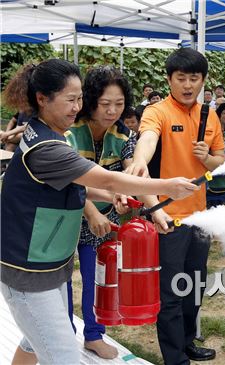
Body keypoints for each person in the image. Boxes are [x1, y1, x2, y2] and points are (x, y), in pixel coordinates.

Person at [0, 59, 199, 365]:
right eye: (70, 100)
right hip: (29, 271)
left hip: (46, 261)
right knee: (62, 355)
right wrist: (167, 187)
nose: (76, 107)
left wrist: (117, 195)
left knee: (33, 339)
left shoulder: (46, 133)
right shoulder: (50, 147)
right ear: (42, 99)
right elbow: (104, 177)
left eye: (79, 99)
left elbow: (79, 186)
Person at [125, 48, 225, 365]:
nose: (187, 85)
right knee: (170, 294)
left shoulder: (210, 116)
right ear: (169, 79)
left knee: (194, 286)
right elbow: (148, 138)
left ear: (203, 81)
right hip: (168, 217)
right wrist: (140, 161)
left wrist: (206, 158)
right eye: (180, 78)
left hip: (201, 218)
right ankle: (174, 358)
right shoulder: (158, 112)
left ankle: (187, 342)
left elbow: (219, 160)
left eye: (193, 78)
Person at [64, 65, 136, 360]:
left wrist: (130, 190)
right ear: (90, 100)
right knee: (62, 281)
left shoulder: (123, 134)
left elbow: (131, 168)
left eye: (119, 104)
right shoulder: (69, 131)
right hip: (68, 218)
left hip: (108, 220)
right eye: (105, 104)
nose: (112, 111)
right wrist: (92, 213)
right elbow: (69, 178)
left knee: (100, 276)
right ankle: (64, 334)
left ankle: (94, 334)